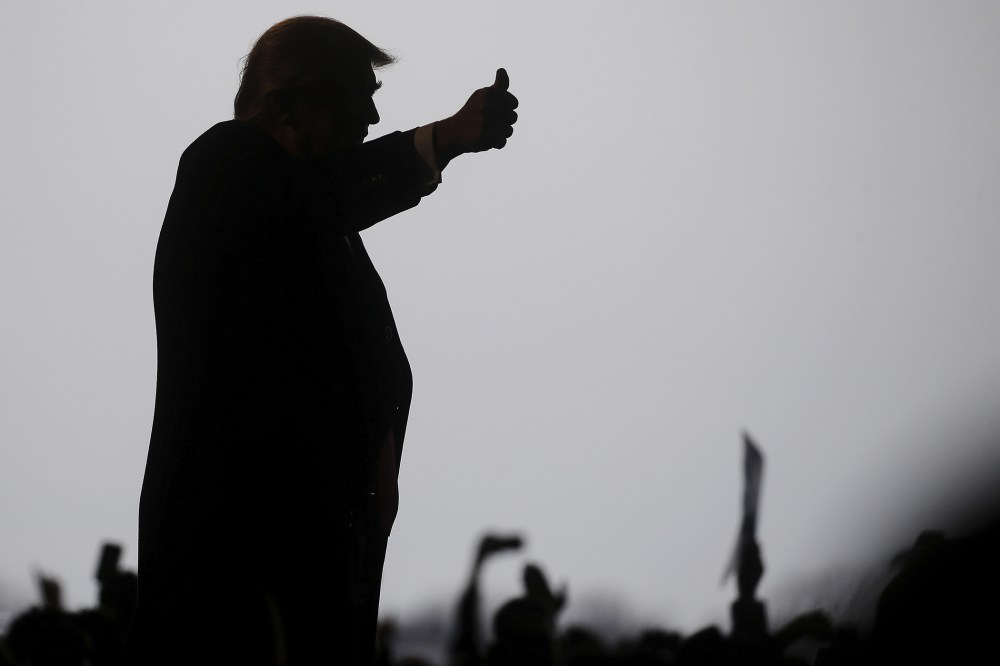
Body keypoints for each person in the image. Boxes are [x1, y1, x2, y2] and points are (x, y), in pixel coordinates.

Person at [126, 16, 518, 665]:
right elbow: (314, 199)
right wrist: (442, 139)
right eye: (354, 95)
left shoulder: (318, 235)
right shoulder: (224, 167)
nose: (370, 115)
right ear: (285, 104)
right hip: (239, 585)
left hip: (310, 574)